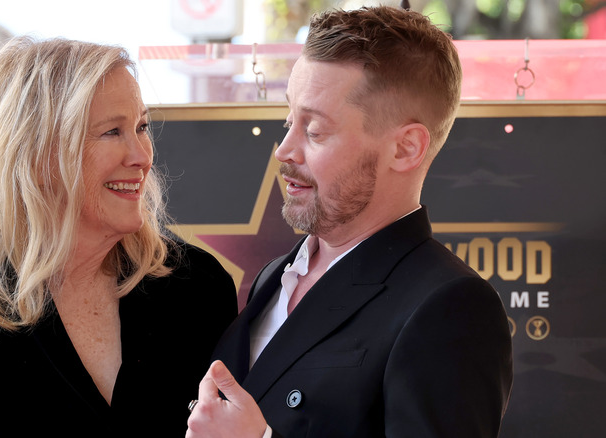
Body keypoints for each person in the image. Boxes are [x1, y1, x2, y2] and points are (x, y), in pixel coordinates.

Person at [186, 6, 513, 438]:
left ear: (405, 148)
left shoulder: (451, 307)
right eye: (289, 121)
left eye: (315, 130)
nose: (284, 151)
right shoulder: (275, 276)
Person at [0, 36, 237, 437]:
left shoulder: (198, 287)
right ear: (37, 153)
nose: (142, 155)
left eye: (141, 127)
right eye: (112, 132)